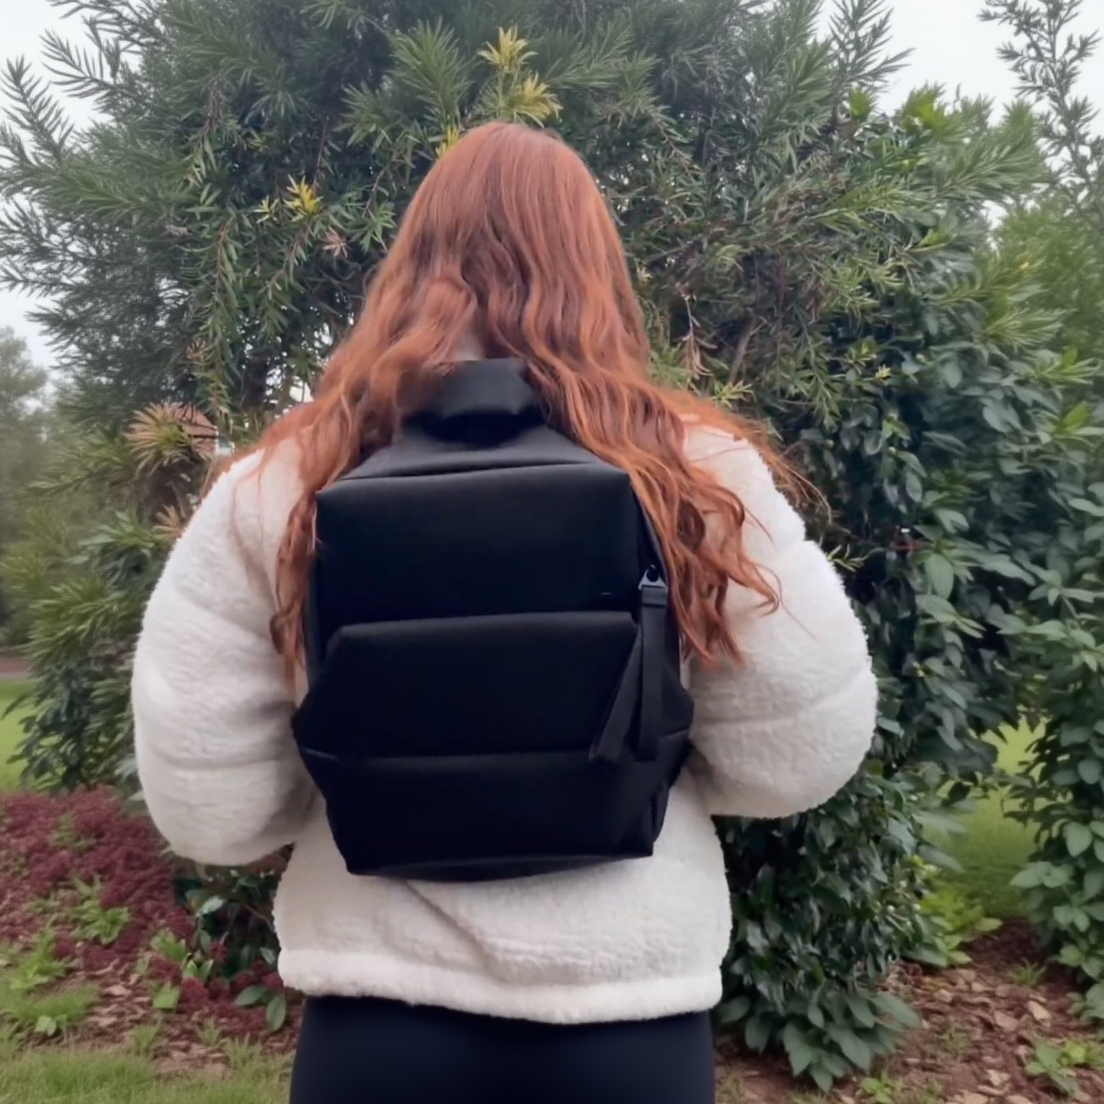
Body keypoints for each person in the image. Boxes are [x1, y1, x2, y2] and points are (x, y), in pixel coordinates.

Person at [132, 121, 877, 1104]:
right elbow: (800, 753)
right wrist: (643, 768)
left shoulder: (286, 482)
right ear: (598, 271)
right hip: (628, 1022)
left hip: (377, 1025)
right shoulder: (692, 472)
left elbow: (210, 807)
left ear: (409, 264)